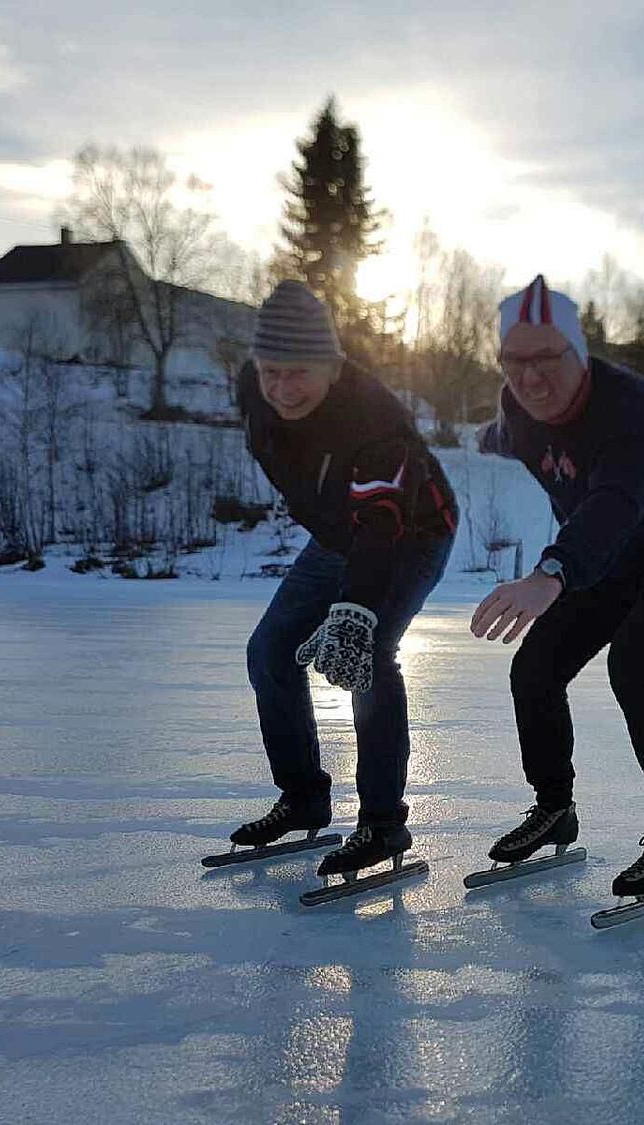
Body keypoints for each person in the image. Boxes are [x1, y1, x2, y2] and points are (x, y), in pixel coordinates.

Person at [474, 275, 644, 901]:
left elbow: (615, 502)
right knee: (535, 669)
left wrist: (553, 572)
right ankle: (553, 808)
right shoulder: (515, 411)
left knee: (636, 666)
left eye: (547, 358)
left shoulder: (629, 406)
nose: (531, 378)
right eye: (514, 361)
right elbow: (501, 435)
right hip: (607, 560)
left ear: (580, 353)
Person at [232, 280, 458, 877]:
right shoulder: (252, 394)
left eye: (298, 373)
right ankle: (303, 797)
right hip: (337, 535)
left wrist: (354, 611)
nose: (283, 389)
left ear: (333, 368)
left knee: (369, 656)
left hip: (410, 535)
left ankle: (383, 823)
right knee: (270, 651)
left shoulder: (378, 423)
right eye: (271, 372)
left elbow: (381, 527)